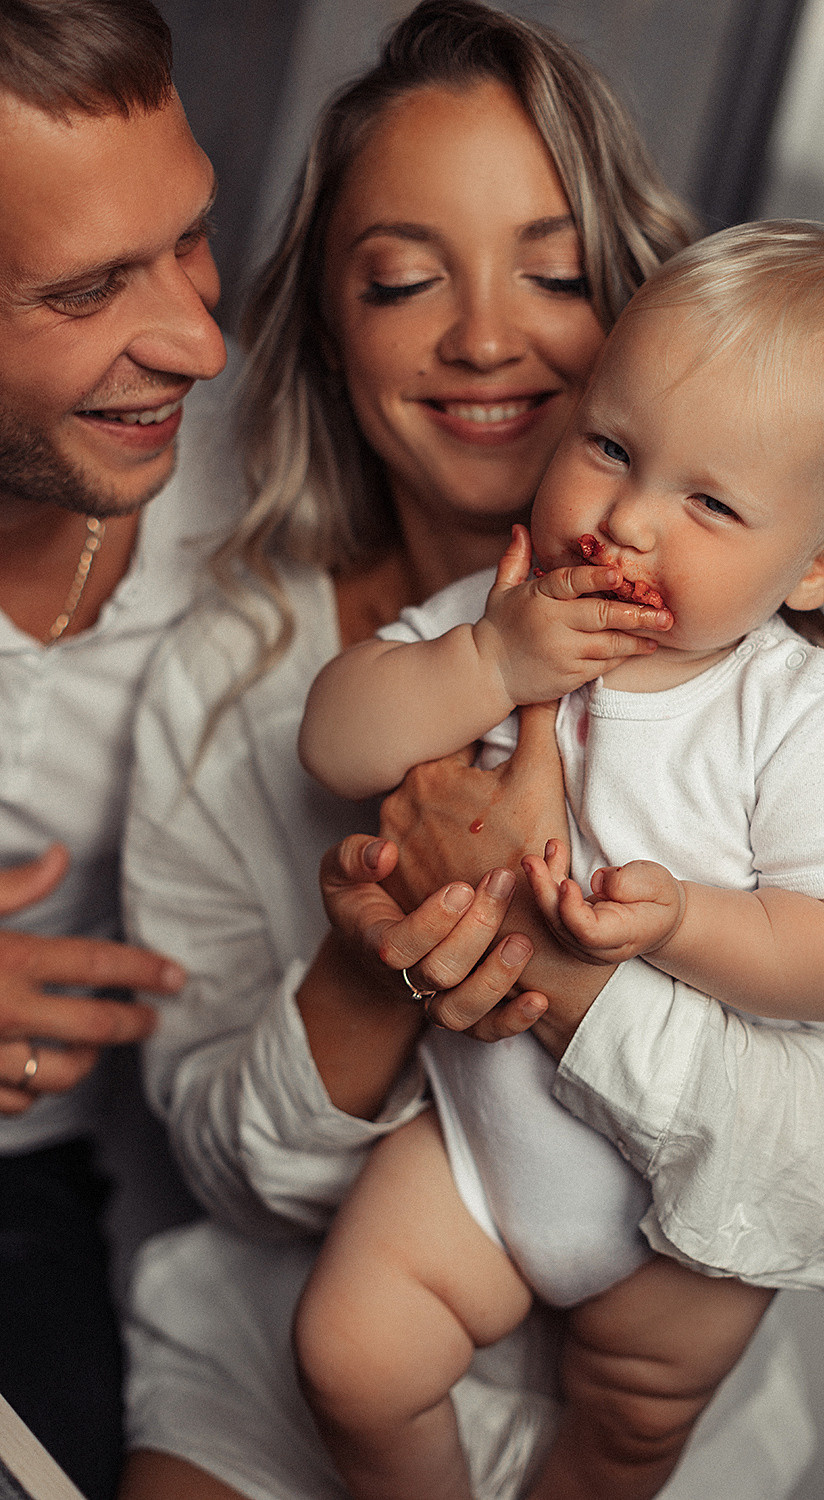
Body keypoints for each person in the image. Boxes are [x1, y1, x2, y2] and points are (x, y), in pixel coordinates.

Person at [119, 5, 824, 1500]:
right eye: (401, 278)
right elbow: (233, 1173)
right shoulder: (311, 652)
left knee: (635, 1431)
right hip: (374, 1259)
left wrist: (562, 954)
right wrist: (383, 937)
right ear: (329, 318)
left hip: (662, 1308)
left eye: (558, 268)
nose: (482, 334)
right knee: (336, 1361)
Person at [292, 221, 824, 1500]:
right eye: (609, 449)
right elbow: (329, 740)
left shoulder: (795, 711)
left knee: (628, 1435)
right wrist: (488, 664)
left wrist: (687, 921)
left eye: (708, 502)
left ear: (822, 562)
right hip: (478, 1160)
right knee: (349, 1357)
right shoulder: (504, 611)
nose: (628, 521)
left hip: (675, 1236)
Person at [0, 2, 229, 1494]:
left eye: (192, 241)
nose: (200, 338)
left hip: (57, 1206)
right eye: (90, 288)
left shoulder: (294, 469)